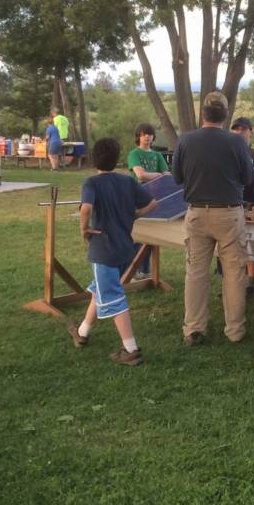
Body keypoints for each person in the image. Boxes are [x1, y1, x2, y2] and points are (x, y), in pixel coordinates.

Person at [66, 138, 158, 365]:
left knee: (113, 298)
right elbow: (153, 203)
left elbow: (86, 208)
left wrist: (83, 229)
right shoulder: (127, 181)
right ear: (117, 159)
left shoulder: (91, 183)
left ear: (94, 158)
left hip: (103, 251)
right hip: (125, 248)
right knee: (99, 289)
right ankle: (82, 332)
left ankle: (131, 349)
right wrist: (135, 214)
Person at [172, 92, 254, 346]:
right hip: (229, 214)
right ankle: (235, 331)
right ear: (225, 114)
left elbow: (177, 178)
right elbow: (247, 178)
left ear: (203, 113)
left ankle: (194, 329)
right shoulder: (237, 142)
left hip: (196, 213)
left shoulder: (186, 140)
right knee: (234, 274)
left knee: (195, 273)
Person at [231, 117, 254, 297]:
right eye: (236, 129)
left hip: (251, 203)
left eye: (243, 129)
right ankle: (233, 284)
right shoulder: (227, 150)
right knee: (232, 246)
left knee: (250, 243)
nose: (239, 132)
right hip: (231, 203)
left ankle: (250, 283)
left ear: (251, 131)